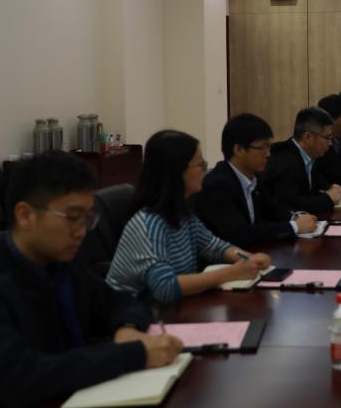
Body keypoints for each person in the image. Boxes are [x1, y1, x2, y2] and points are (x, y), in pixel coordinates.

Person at [0, 151, 183, 408]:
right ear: (25, 215)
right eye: (72, 218)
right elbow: (21, 378)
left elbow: (117, 301)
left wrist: (126, 328)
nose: (82, 232)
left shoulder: (63, 263)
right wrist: (134, 354)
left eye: (87, 219)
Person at [107, 130, 272, 305]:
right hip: (132, 313)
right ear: (177, 171)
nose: (205, 169)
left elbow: (214, 247)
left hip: (173, 308)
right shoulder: (148, 223)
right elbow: (165, 287)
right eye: (200, 164)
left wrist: (249, 259)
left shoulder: (183, 213)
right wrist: (232, 273)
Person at [195, 113, 319, 246]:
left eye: (268, 147)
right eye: (262, 148)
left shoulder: (253, 177)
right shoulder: (216, 185)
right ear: (239, 149)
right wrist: (294, 227)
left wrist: (296, 217)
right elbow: (240, 233)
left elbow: (273, 209)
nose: (268, 154)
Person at [261, 107, 341, 214]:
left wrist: (331, 188)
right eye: (327, 138)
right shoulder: (284, 160)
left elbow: (317, 187)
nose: (330, 143)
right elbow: (288, 203)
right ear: (308, 137)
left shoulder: (311, 156)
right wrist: (328, 198)